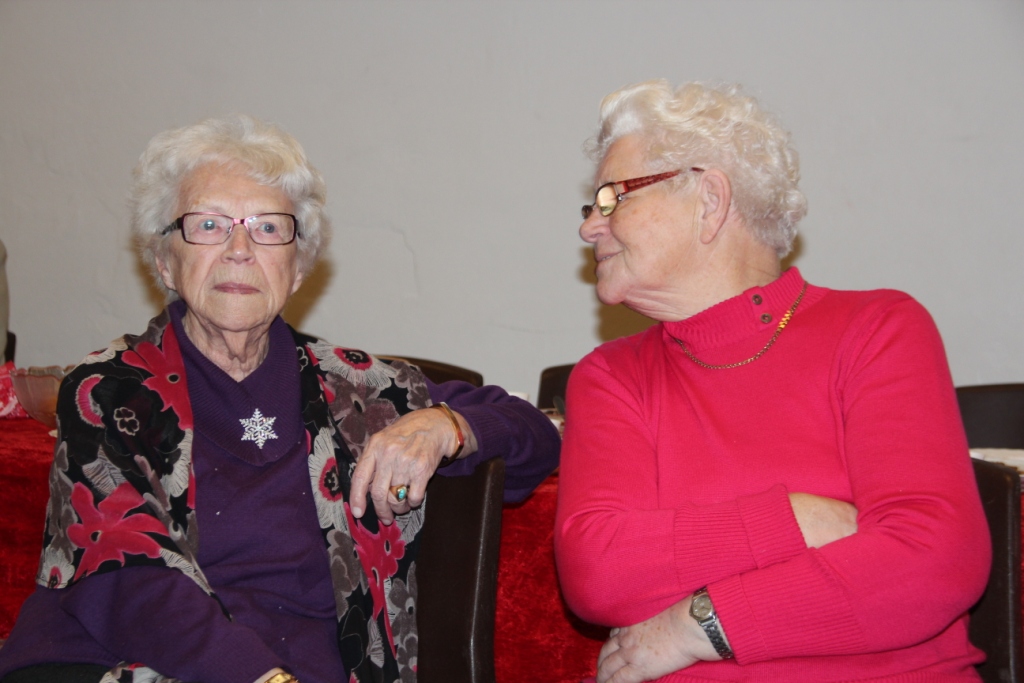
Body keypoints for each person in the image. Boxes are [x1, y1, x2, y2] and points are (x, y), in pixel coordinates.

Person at [0, 114, 559, 683]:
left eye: (268, 228)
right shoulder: (107, 390)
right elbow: (132, 580)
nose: (239, 249)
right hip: (124, 663)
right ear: (165, 261)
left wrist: (443, 426)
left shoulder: (358, 389)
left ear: (296, 268)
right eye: (209, 224)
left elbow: (537, 433)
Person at [554, 80, 989, 683]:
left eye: (612, 198)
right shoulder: (610, 375)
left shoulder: (878, 328)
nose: (589, 228)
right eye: (592, 206)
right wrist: (799, 519)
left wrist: (698, 626)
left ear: (709, 199)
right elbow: (599, 573)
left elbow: (932, 562)